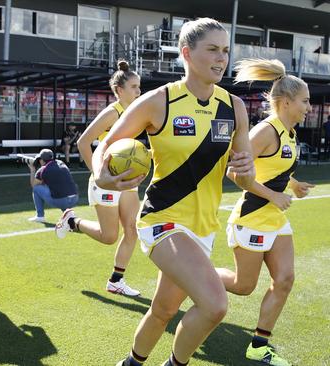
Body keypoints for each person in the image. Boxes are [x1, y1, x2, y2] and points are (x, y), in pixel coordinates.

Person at [92, 18, 255, 366]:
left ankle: (131, 363)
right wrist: (102, 178)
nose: (221, 58)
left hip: (203, 228)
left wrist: (245, 171)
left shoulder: (235, 108)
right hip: (161, 219)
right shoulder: (159, 101)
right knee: (215, 305)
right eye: (212, 49)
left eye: (225, 50)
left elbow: (241, 175)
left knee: (164, 310)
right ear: (187, 53)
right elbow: (105, 144)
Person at [215, 59, 315, 366]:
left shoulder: (290, 133)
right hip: (252, 219)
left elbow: (274, 169)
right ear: (286, 102)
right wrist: (274, 195)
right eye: (305, 101)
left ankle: (259, 345)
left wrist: (293, 185)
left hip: (275, 220)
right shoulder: (265, 131)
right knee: (244, 287)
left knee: (284, 279)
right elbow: (235, 173)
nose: (308, 107)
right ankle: (193, 277)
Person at [55, 60, 142, 297]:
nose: (138, 92)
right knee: (109, 237)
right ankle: (73, 221)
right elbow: (83, 142)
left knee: (132, 229)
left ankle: (116, 280)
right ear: (119, 91)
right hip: (105, 182)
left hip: (126, 181)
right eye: (134, 87)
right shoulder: (112, 113)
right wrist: (97, 173)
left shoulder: (137, 113)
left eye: (139, 87)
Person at [28, 148, 78, 222]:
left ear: (42, 160)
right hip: (74, 198)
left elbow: (33, 184)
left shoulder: (42, 170)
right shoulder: (61, 163)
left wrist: (32, 170)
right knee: (59, 189)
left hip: (62, 201)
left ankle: (40, 216)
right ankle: (68, 213)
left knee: (36, 188)